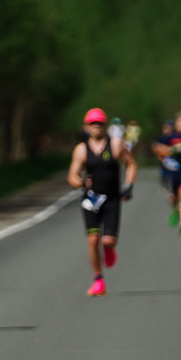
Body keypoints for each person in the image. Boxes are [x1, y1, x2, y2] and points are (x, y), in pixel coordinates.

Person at [69, 106, 135, 295]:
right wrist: (81, 182)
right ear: (86, 127)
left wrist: (128, 186)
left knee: (107, 240)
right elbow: (72, 175)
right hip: (91, 200)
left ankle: (109, 248)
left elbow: (131, 164)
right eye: (92, 123)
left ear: (105, 125)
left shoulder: (116, 144)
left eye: (99, 123)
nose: (96, 126)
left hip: (112, 199)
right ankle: (98, 279)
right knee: (93, 239)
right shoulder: (82, 149)